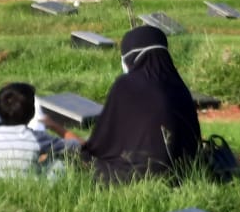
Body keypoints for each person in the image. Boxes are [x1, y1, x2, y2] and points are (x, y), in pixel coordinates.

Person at [57, 26, 201, 184]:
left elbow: (101, 144)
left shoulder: (126, 85)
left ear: (131, 56)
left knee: (75, 157)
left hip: (138, 175)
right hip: (184, 172)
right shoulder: (179, 86)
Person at [0, 82, 77, 179]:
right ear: (32, 112)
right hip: (26, 186)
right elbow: (76, 146)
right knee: (60, 161)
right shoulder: (37, 137)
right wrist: (54, 126)